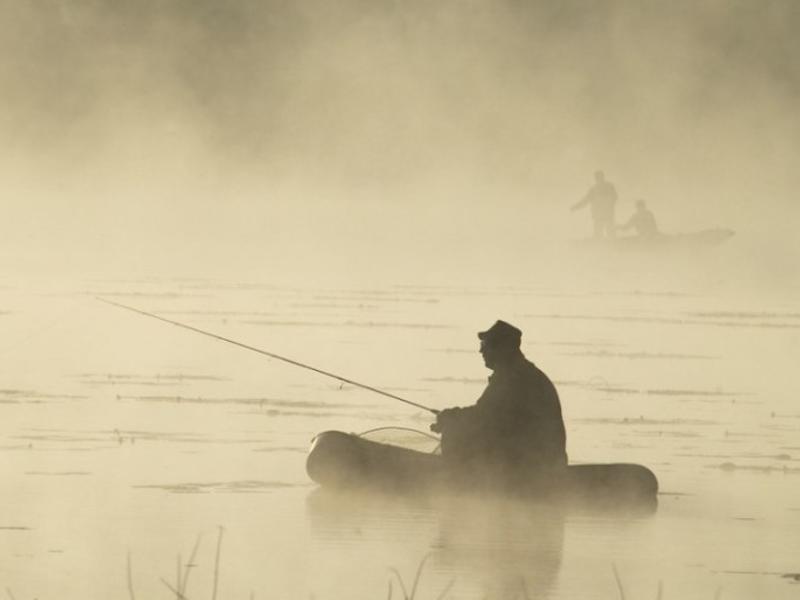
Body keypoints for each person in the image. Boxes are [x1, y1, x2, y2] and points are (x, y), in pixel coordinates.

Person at [431, 320, 567, 489]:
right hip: (545, 461)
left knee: (455, 432)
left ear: (503, 348)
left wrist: (451, 418)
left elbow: (482, 418)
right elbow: (490, 417)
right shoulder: (520, 372)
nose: (481, 350)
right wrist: (454, 417)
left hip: (532, 469)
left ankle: (455, 487)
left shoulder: (513, 377)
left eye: (485, 344)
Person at [571, 170, 618, 239]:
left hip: (605, 213)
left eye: (599, 177)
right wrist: (575, 207)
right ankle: (602, 245)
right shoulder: (594, 189)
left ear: (602, 177)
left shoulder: (608, 186)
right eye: (598, 178)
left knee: (608, 232)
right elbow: (585, 200)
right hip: (601, 214)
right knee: (601, 233)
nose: (599, 179)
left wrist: (575, 207)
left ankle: (610, 244)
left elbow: (615, 197)